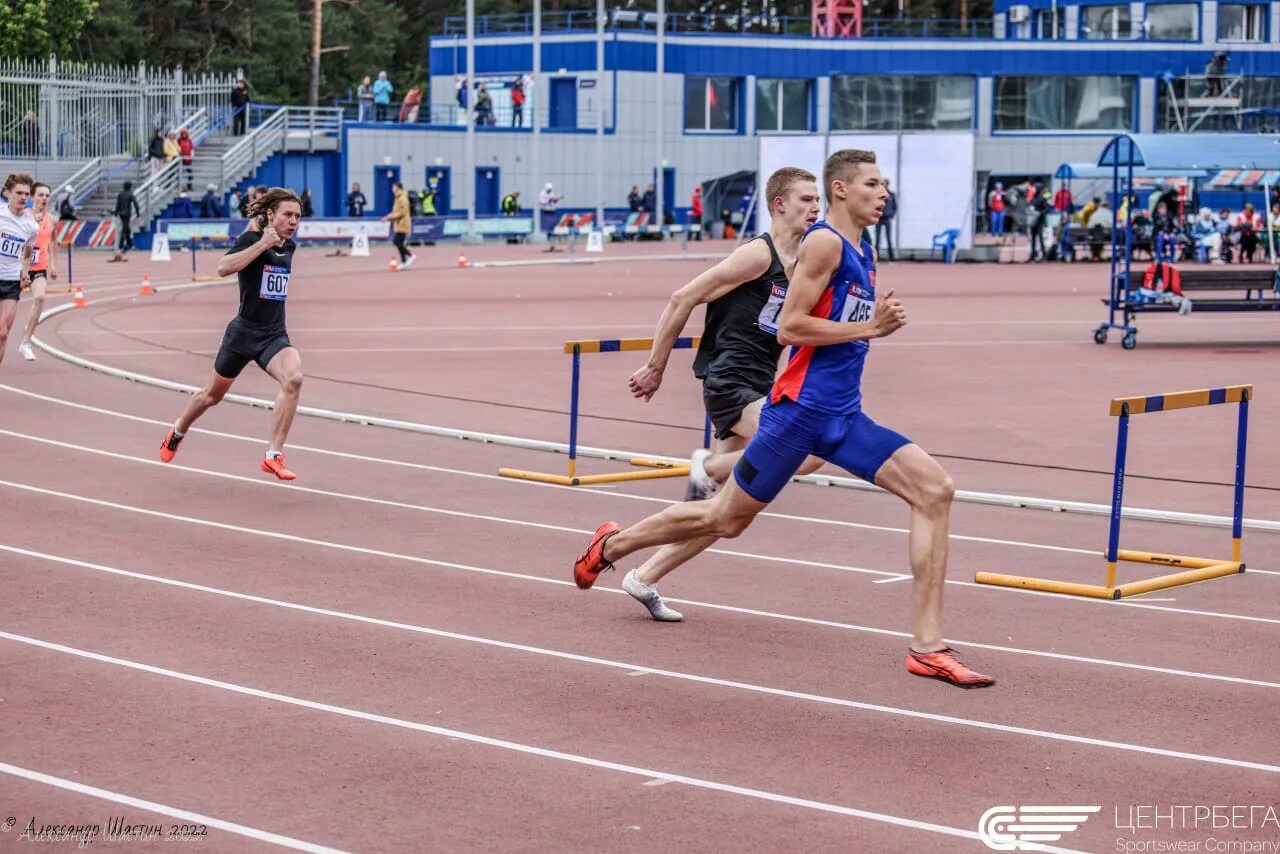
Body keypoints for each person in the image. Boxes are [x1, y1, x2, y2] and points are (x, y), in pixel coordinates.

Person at [573, 149, 994, 689]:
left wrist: (864, 328)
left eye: (885, 183)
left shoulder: (864, 253)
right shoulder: (823, 244)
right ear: (842, 190)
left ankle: (928, 647)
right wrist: (869, 329)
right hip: (794, 417)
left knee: (935, 490)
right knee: (723, 520)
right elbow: (792, 328)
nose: (883, 192)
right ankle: (611, 546)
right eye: (872, 183)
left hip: (843, 417)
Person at [620, 167, 826, 621]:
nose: (816, 208)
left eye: (818, 200)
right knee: (806, 449)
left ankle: (645, 577)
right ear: (779, 204)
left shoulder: (802, 265)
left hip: (761, 382)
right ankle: (706, 465)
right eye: (807, 199)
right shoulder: (757, 255)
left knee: (725, 513)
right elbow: (682, 297)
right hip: (730, 380)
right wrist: (656, 366)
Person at [159, 189, 305, 480]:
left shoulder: (290, 247)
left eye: (297, 216)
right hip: (242, 334)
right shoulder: (251, 239)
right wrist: (262, 244)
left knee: (294, 379)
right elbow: (224, 267)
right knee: (211, 396)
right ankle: (177, 431)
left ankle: (273, 455)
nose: (293, 222)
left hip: (274, 334)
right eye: (287, 215)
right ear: (270, 215)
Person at [0, 174, 39, 370]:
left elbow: (28, 252)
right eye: (19, 193)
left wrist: (25, 273)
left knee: (3, 332)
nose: (23, 197)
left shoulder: (31, 226)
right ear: (8, 194)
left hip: (11, 281)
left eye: (26, 194)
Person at [16, 181, 57, 362]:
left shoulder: (52, 220)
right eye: (40, 195)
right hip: (16, 268)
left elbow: (53, 242)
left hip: (39, 267)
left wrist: (54, 265)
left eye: (47, 196)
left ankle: (26, 342)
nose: (44, 198)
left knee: (40, 298)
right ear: (32, 197)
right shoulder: (23, 215)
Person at [381, 181, 414, 269]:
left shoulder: (402, 198)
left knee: (397, 242)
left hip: (403, 223)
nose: (392, 189)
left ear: (398, 188)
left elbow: (401, 213)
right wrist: (387, 216)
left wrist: (388, 218)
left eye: (393, 187)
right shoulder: (397, 198)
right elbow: (395, 211)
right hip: (398, 223)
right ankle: (404, 260)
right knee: (398, 242)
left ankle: (409, 256)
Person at [114, 181, 141, 254]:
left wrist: (116, 214)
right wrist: (138, 214)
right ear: (130, 187)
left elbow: (117, 204)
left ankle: (130, 245)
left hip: (121, 214)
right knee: (125, 230)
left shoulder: (120, 194)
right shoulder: (130, 194)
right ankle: (121, 247)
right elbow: (136, 204)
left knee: (127, 229)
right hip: (127, 214)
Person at [875, 178, 896, 260]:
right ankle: (877, 257)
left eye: (885, 183)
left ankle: (891, 258)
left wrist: (892, 216)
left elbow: (895, 207)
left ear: (888, 184)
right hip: (879, 218)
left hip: (887, 218)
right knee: (877, 238)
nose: (884, 185)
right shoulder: (877, 194)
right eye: (882, 183)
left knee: (888, 238)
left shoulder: (891, 195)